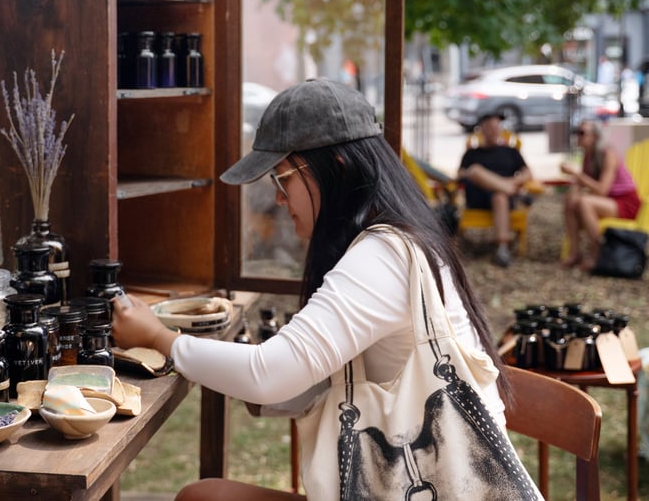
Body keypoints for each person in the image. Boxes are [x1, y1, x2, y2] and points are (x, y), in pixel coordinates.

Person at [111, 78, 513, 501]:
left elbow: (267, 374)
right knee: (204, 496)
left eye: (282, 180)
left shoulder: (383, 257)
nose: (279, 200)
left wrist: (159, 338)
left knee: (201, 498)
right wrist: (266, 394)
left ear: (336, 168)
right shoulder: (402, 238)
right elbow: (311, 377)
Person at [560, 119, 640, 272]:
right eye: (577, 132)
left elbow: (602, 190)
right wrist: (573, 195)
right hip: (608, 201)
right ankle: (575, 252)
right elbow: (579, 187)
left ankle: (596, 254)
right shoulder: (588, 156)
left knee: (584, 202)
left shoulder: (608, 154)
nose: (578, 136)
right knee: (571, 201)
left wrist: (576, 174)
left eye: (582, 133)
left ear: (595, 136)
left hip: (625, 202)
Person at [457, 112, 535, 268]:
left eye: (496, 127)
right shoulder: (472, 153)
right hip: (477, 196)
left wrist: (510, 181)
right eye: (489, 127)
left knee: (500, 196)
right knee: (475, 170)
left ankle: (502, 249)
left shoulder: (511, 152)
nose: (493, 130)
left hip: (503, 198)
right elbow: (460, 174)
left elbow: (528, 174)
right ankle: (517, 193)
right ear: (482, 131)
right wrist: (479, 176)